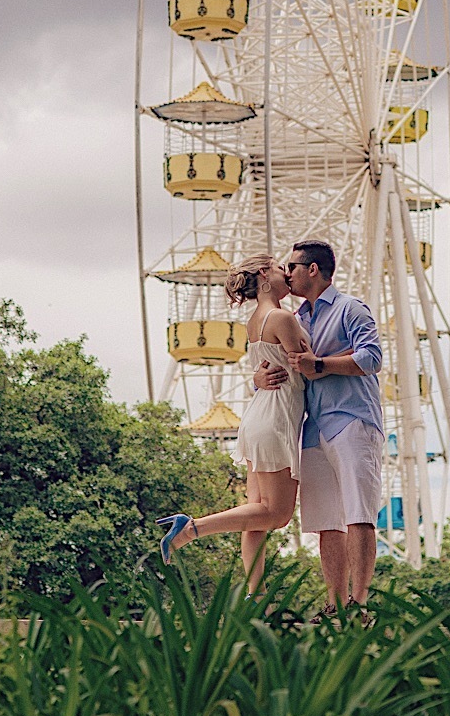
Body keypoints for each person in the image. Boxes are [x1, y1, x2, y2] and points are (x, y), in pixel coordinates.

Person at [157, 255, 308, 587]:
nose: (287, 273)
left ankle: (256, 597)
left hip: (258, 416)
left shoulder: (256, 320)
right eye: (280, 268)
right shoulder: (281, 317)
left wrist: (257, 379)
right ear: (263, 276)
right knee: (277, 515)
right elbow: (307, 365)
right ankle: (191, 529)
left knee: (255, 514)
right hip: (277, 419)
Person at [254, 238, 384, 613]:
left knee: (359, 513)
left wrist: (321, 365)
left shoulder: (351, 309)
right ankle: (334, 603)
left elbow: (372, 357)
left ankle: (359, 603)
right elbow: (273, 366)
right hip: (313, 428)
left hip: (353, 420)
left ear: (313, 269)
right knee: (328, 521)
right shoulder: (295, 320)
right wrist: (257, 381)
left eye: (292, 267)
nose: (287, 273)